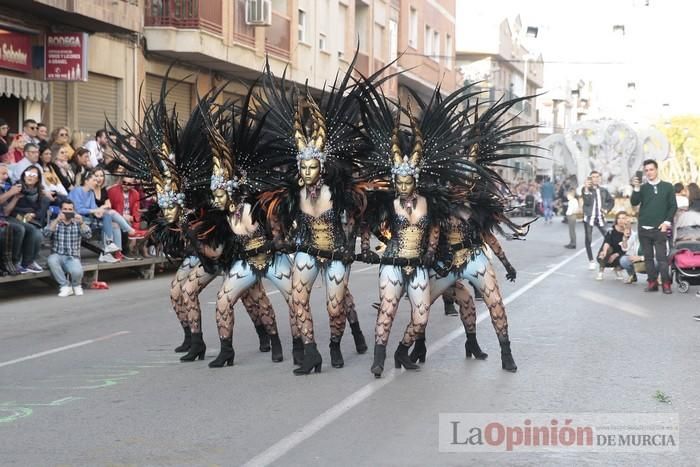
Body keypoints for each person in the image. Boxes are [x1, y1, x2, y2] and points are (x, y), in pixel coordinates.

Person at [631, 159, 677, 294]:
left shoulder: (668, 186)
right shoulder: (643, 188)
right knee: (648, 258)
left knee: (662, 258)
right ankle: (652, 283)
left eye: (651, 169)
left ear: (656, 170)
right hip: (644, 229)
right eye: (646, 170)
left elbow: (673, 206)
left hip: (659, 229)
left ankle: (666, 284)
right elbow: (634, 201)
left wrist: (667, 222)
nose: (649, 172)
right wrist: (636, 188)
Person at [4, 165, 50, 273]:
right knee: (30, 229)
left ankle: (29, 261)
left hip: (30, 218)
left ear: (38, 179)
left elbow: (40, 211)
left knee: (38, 234)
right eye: (28, 174)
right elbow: (10, 210)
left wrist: (32, 215)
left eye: (33, 175)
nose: (30, 177)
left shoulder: (40, 192)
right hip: (15, 216)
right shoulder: (16, 187)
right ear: (24, 175)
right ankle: (23, 262)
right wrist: (24, 216)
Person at [43, 199, 91, 297]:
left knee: (77, 272)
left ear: (73, 211)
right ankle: (64, 286)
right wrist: (56, 220)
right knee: (51, 260)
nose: (67, 211)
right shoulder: (55, 222)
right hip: (57, 255)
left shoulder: (78, 222)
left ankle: (76, 285)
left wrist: (82, 223)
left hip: (72, 257)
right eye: (65, 209)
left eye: (70, 209)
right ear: (61, 210)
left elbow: (88, 236)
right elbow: (46, 234)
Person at [581, 171, 614, 270]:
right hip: (589, 218)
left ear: (600, 178)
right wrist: (586, 188)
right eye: (593, 177)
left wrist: (607, 209)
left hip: (600, 217)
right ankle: (591, 261)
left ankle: (610, 260)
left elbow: (611, 201)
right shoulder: (585, 189)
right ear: (590, 179)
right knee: (588, 239)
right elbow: (586, 201)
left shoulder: (603, 190)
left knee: (609, 238)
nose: (595, 179)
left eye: (597, 177)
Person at [596, 212, 628, 281]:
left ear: (626, 220)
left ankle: (618, 269)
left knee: (628, 255)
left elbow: (628, 248)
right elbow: (607, 242)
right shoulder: (611, 230)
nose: (620, 220)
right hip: (609, 254)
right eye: (619, 218)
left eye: (623, 218)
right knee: (607, 249)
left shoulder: (629, 232)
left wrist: (616, 255)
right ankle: (601, 271)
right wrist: (604, 251)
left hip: (619, 254)